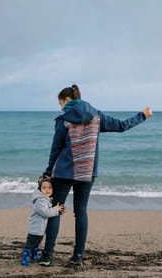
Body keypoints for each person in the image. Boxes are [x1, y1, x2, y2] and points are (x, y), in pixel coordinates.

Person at [38, 84, 153, 267]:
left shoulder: (63, 120)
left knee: (56, 212)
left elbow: (56, 149)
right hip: (87, 172)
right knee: (81, 212)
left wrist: (47, 172)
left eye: (60, 103)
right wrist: (142, 115)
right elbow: (122, 126)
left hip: (64, 172)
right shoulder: (97, 117)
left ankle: (47, 256)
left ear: (67, 100)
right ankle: (77, 257)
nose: (60, 108)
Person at [21, 178, 65, 266]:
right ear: (40, 189)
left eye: (49, 188)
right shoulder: (40, 200)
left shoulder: (46, 199)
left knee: (37, 243)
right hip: (35, 228)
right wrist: (56, 209)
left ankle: (34, 255)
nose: (47, 190)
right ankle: (25, 258)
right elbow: (45, 213)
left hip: (40, 229)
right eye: (44, 188)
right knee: (30, 244)